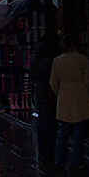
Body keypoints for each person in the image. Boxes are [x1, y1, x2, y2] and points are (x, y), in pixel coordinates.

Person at [50, 34, 89, 177]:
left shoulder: (57, 61)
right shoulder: (82, 60)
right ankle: (76, 162)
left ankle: (59, 160)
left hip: (64, 98)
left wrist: (61, 93)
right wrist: (87, 95)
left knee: (62, 133)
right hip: (80, 97)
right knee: (78, 135)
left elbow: (53, 82)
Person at [30, 34, 58, 168]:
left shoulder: (36, 58)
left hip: (40, 92)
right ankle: (50, 151)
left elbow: (32, 75)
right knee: (51, 122)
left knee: (43, 121)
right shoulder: (52, 61)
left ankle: (43, 152)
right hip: (51, 92)